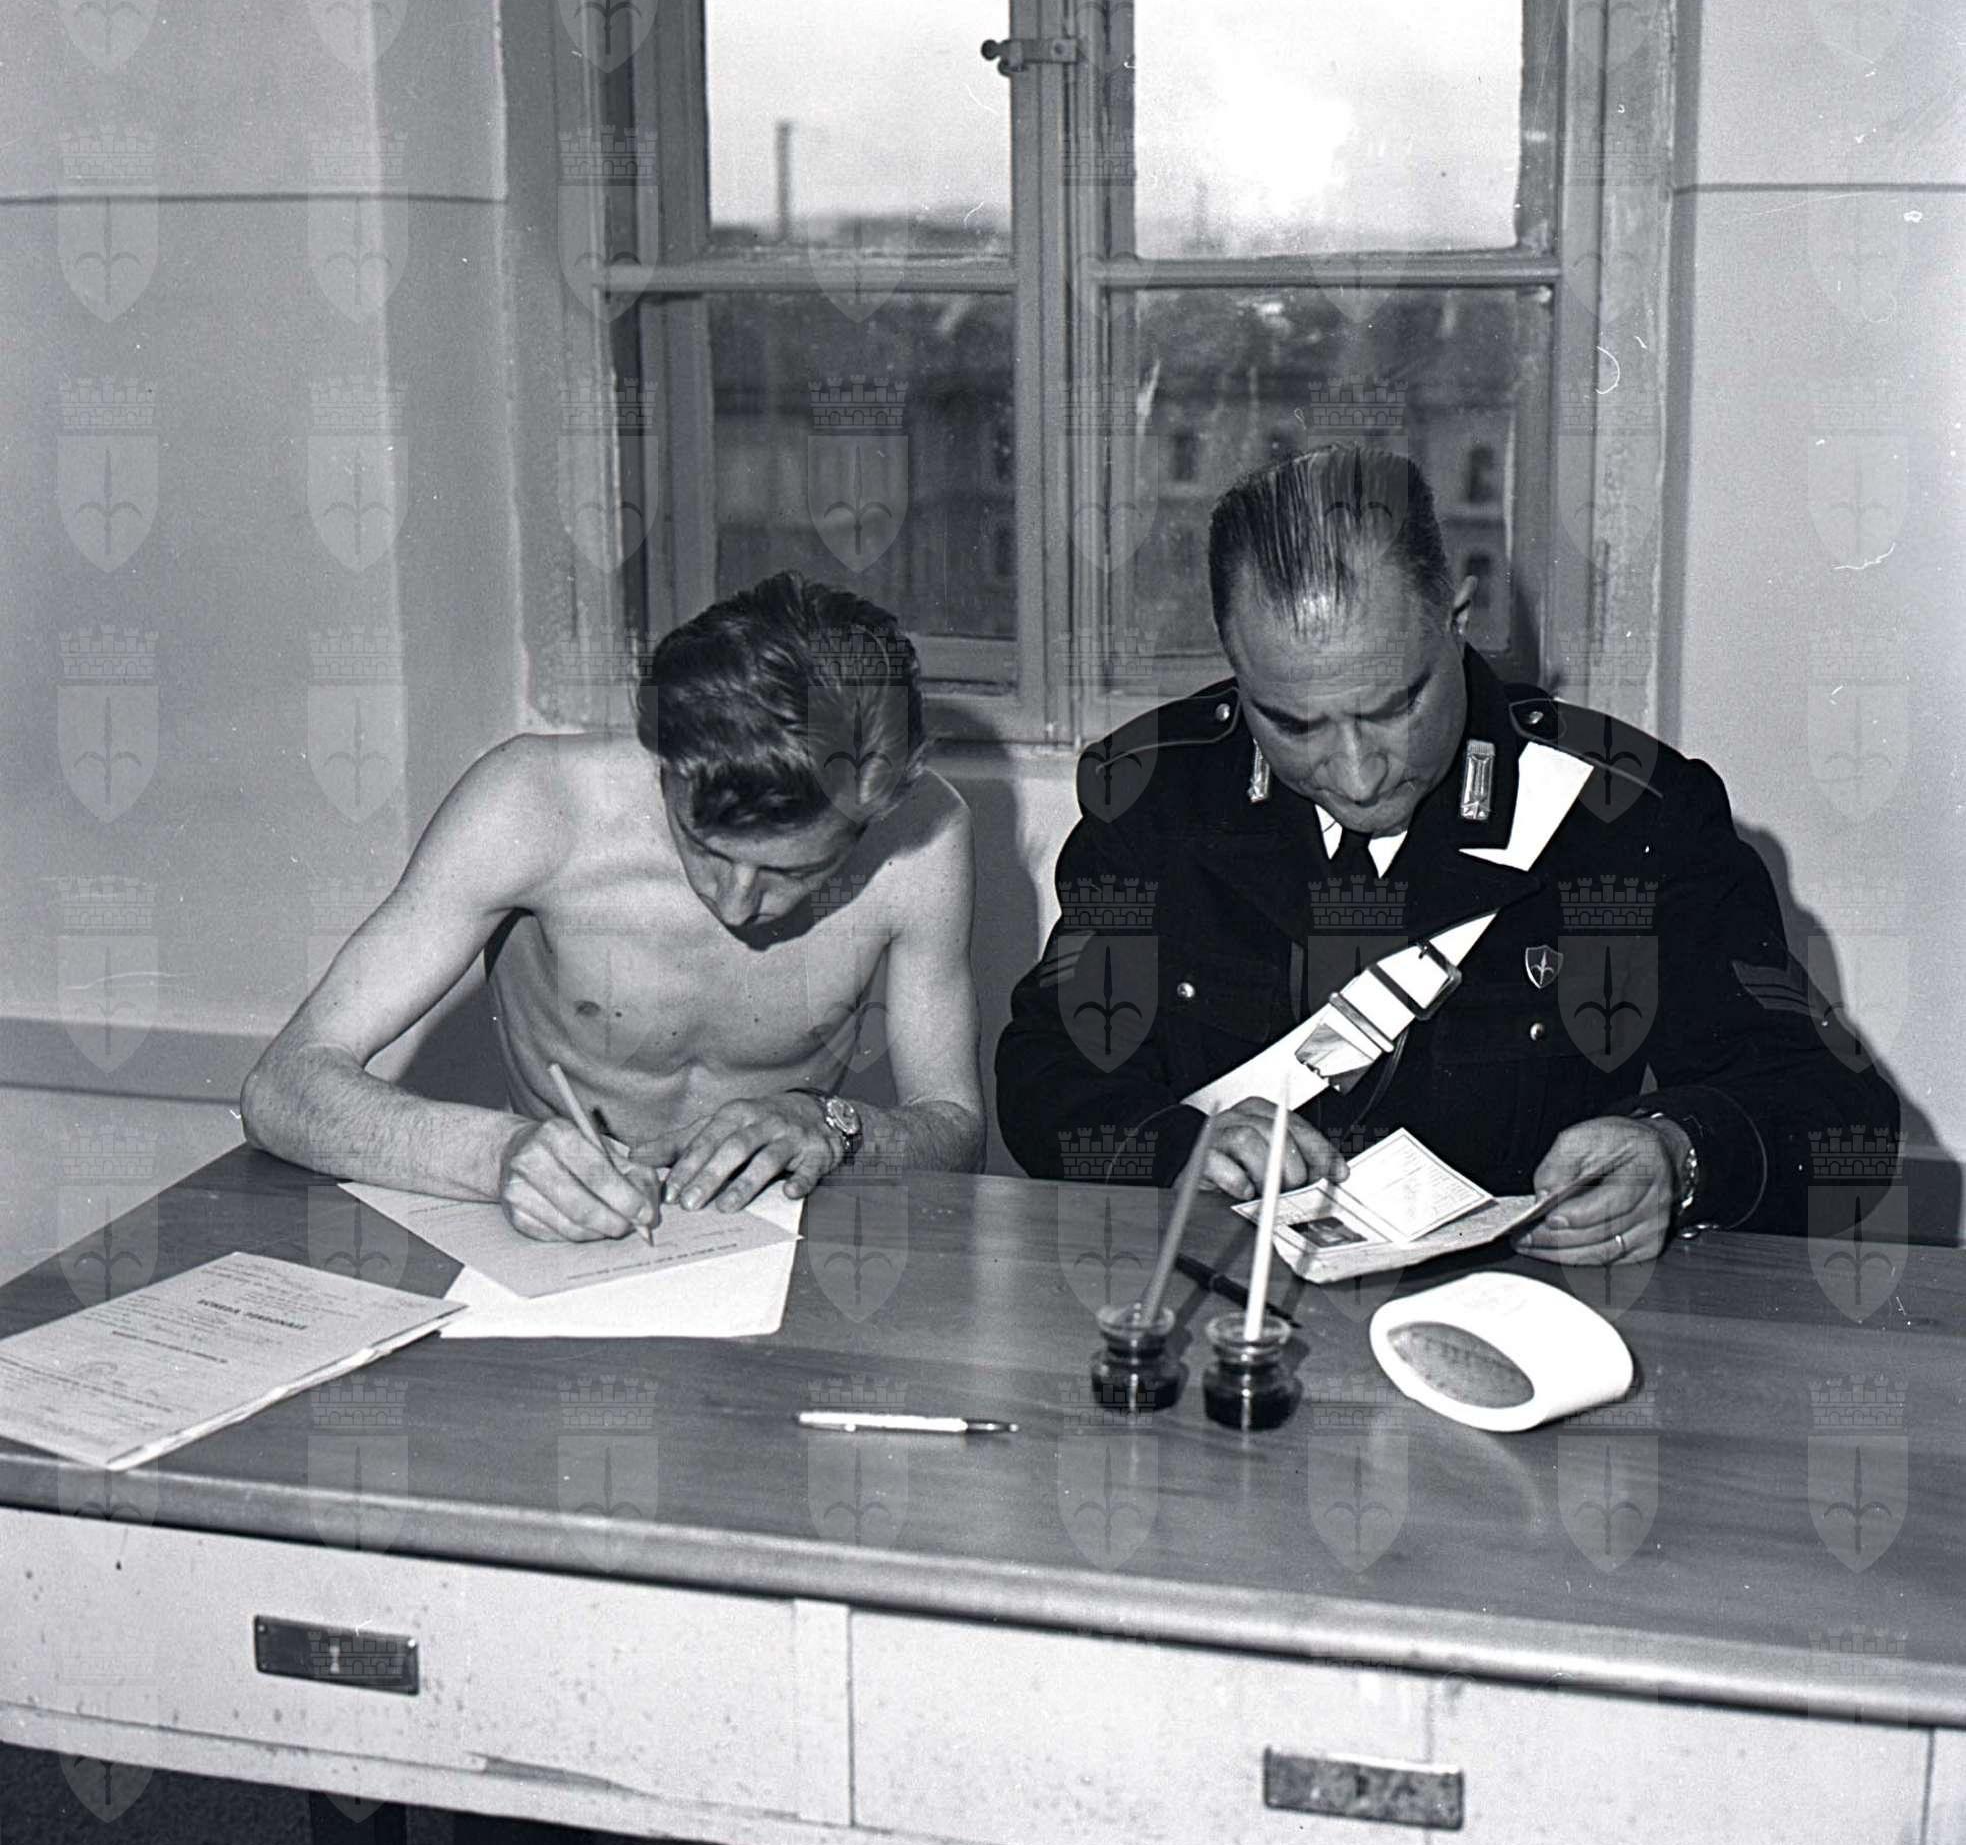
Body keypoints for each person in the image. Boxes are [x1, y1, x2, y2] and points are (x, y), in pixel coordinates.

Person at [995, 445, 1899, 1262]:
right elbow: (1048, 1071)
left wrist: (1679, 1154)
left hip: (1520, 1318)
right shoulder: (1157, 799)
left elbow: (1838, 1114)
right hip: (1228, 1308)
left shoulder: (1622, 815)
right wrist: (1179, 1150)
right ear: (1236, 665)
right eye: (1294, 724)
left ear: (1458, 618)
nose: (1356, 774)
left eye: (1393, 707)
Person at [245, 573, 983, 1237]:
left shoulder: (925, 838)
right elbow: (282, 1086)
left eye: (795, 870)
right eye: (704, 846)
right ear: (663, 767)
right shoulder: (534, 806)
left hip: (775, 1246)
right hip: (552, 1238)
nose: (734, 905)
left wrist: (833, 1125)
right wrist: (495, 1154)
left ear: (875, 813)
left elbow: (956, 1132)